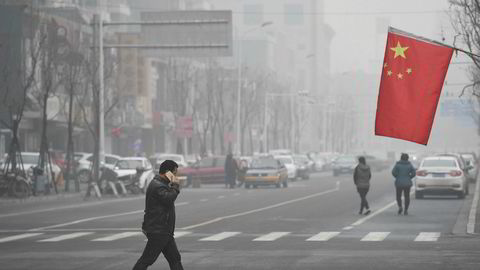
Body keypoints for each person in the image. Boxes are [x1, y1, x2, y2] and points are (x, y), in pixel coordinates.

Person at [132, 160, 184, 270]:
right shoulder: (158, 186)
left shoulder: (161, 184)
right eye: (174, 173)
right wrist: (175, 186)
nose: (175, 176)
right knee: (147, 259)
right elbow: (169, 199)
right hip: (159, 230)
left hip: (164, 230)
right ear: (167, 172)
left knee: (175, 259)